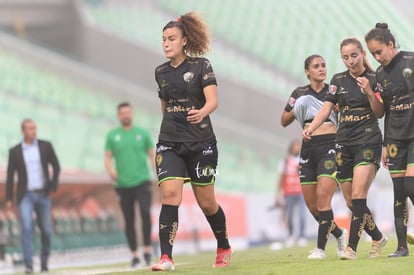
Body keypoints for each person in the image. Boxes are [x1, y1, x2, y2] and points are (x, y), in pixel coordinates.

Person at [152, 12, 231, 271]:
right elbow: (165, 106)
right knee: (170, 195)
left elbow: (213, 100)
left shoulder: (201, 66)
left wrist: (202, 112)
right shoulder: (160, 72)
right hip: (170, 142)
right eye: (163, 39)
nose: (166, 43)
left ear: (184, 41)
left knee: (207, 202)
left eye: (171, 39)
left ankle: (223, 245)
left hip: (202, 142)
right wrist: (174, 127)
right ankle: (166, 258)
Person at [303, 37, 387, 260]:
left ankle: (351, 248)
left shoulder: (374, 78)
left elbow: (380, 112)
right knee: (351, 202)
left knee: (359, 195)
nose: (350, 60)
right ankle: (378, 237)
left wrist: (369, 91)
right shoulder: (337, 80)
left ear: (362, 55)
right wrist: (311, 127)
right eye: (345, 57)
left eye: (354, 55)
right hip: (343, 144)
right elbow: (326, 108)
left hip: (368, 141)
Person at [281, 55, 347, 259]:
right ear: (307, 71)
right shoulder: (299, 93)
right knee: (312, 206)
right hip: (308, 148)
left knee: (323, 197)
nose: (321, 69)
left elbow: (345, 116)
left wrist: (338, 109)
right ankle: (339, 232)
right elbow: (284, 120)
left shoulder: (333, 91)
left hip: (330, 144)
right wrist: (299, 108)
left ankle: (320, 249)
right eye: (316, 66)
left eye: (323, 65)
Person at [365, 23, 414, 257]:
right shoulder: (380, 75)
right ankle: (402, 246)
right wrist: (385, 144)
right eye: (373, 53)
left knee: (410, 185)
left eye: (379, 51)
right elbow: (384, 112)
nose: (377, 57)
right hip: (395, 139)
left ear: (390, 44)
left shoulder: (411, 60)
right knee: (398, 192)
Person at [5, 119, 60, 274]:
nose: (33, 131)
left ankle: (44, 262)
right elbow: (10, 176)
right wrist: (9, 198)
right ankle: (29, 264)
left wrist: (53, 186)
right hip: (25, 196)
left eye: (35, 128)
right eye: (30, 128)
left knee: (46, 230)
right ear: (23, 131)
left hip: (43, 194)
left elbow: (56, 165)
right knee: (27, 228)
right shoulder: (15, 151)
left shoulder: (45, 146)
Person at [105, 102, 156, 267]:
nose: (126, 115)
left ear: (132, 114)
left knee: (145, 213)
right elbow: (107, 157)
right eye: (122, 113)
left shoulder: (142, 133)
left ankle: (147, 251)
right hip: (122, 183)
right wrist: (111, 170)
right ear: (118, 116)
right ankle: (134, 254)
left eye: (128, 112)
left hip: (142, 180)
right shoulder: (113, 135)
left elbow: (151, 155)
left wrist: (158, 174)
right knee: (129, 219)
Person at [275, 140, 307, 247]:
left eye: (298, 146)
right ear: (291, 148)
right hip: (288, 192)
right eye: (295, 146)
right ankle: (290, 235)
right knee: (289, 215)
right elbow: (280, 178)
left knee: (302, 215)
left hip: (301, 191)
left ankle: (302, 236)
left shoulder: (303, 160)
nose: (297, 148)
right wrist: (278, 193)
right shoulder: (285, 161)